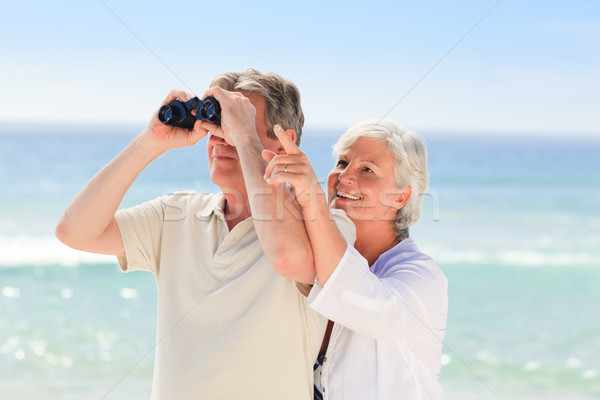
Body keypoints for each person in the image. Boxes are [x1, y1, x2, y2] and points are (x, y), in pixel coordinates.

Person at [55, 68, 355, 399]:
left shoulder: (325, 224)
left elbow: (288, 257)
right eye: (217, 127)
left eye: (236, 126)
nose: (220, 139)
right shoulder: (177, 214)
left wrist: (244, 137)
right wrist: (150, 142)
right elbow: (75, 232)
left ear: (285, 143)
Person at [262, 119, 448, 399]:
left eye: (367, 169)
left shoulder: (423, 278)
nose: (345, 176)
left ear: (400, 197)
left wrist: (311, 197)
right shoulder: (306, 258)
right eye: (341, 163)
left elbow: (368, 305)